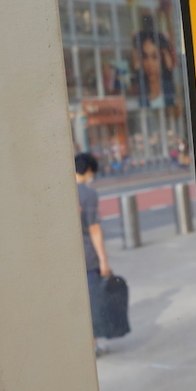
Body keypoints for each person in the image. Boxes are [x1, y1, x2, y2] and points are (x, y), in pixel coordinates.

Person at [75, 152, 111, 355]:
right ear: (88, 170)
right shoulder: (88, 194)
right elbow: (94, 228)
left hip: (68, 260)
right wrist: (104, 260)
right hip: (88, 257)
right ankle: (93, 344)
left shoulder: (59, 190)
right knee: (91, 304)